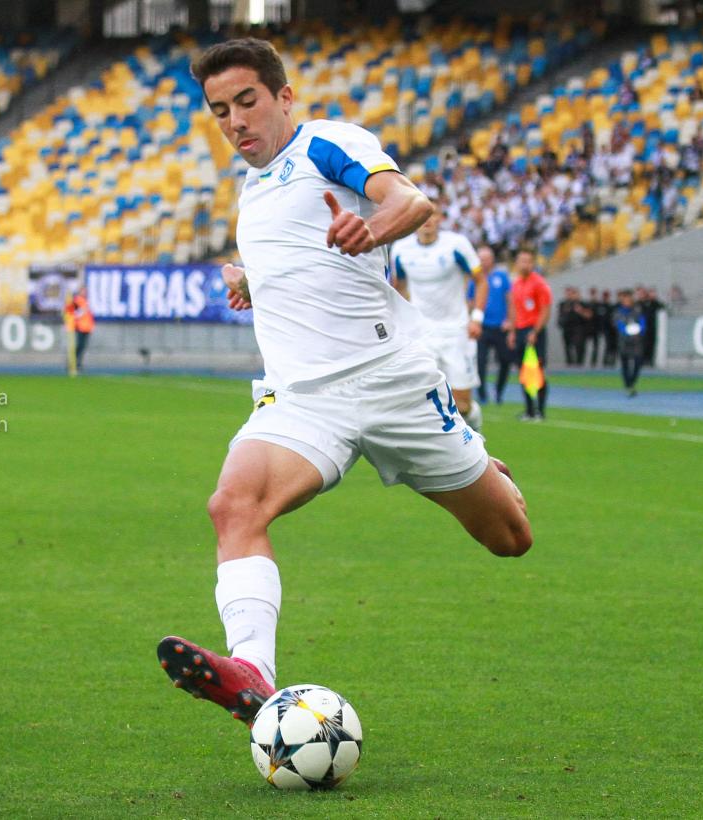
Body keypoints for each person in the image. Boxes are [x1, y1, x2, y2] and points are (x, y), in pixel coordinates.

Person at [156, 37, 532, 726]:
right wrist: (252, 283)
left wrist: (372, 228)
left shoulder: (327, 144)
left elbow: (410, 201)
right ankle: (252, 671)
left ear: (284, 97)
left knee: (510, 536)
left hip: (393, 385)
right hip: (304, 400)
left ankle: (481, 465)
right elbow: (304, 269)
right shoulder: (252, 193)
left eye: (247, 101)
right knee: (233, 506)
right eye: (220, 111)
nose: (236, 121)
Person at [391, 206, 485, 430]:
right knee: (422, 402)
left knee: (462, 405)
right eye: (423, 214)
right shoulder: (400, 249)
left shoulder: (456, 245)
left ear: (440, 218)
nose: (427, 220)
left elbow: (481, 281)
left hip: (456, 332)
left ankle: (475, 423)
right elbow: (398, 287)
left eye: (432, 214)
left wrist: (477, 318)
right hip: (422, 335)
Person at [506, 250, 552, 421]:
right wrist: (512, 332)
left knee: (537, 371)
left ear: (533, 264)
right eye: (522, 261)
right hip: (520, 330)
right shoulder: (516, 284)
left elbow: (545, 310)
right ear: (516, 263)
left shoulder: (539, 283)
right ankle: (529, 410)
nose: (525, 264)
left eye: (528, 261)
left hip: (533, 331)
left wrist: (536, 331)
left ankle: (540, 410)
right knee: (524, 372)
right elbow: (514, 309)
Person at [468, 245, 514, 405]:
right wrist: (471, 321)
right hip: (482, 327)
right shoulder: (475, 279)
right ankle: (482, 395)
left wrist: (510, 321)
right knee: (480, 362)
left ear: (492, 259)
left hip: (500, 327)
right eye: (480, 259)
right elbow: (470, 302)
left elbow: (510, 300)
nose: (483, 262)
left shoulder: (501, 276)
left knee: (506, 360)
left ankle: (499, 391)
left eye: (486, 259)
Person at [613, 289, 647, 396]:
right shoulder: (618, 312)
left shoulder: (637, 311)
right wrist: (627, 331)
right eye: (625, 299)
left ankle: (632, 382)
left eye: (629, 299)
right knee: (625, 364)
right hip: (624, 341)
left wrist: (639, 331)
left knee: (637, 362)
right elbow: (619, 325)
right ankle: (628, 385)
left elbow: (643, 323)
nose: (627, 301)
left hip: (636, 341)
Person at [64, 285, 95, 372]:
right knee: (77, 346)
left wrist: (91, 326)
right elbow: (71, 312)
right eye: (83, 291)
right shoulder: (76, 300)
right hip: (79, 327)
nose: (85, 292)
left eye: (85, 291)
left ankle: (78, 363)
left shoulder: (86, 301)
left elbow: (89, 315)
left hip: (87, 328)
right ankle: (72, 362)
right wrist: (80, 312)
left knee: (82, 347)